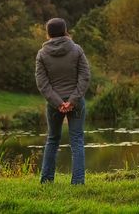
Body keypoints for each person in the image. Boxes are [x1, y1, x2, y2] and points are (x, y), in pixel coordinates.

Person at [35, 17, 91, 184]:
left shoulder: (42, 54)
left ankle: (46, 181)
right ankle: (78, 182)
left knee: (52, 139)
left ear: (48, 33)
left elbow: (42, 84)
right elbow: (85, 77)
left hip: (54, 105)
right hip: (76, 102)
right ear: (65, 30)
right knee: (77, 140)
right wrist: (72, 100)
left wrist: (58, 103)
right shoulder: (77, 50)